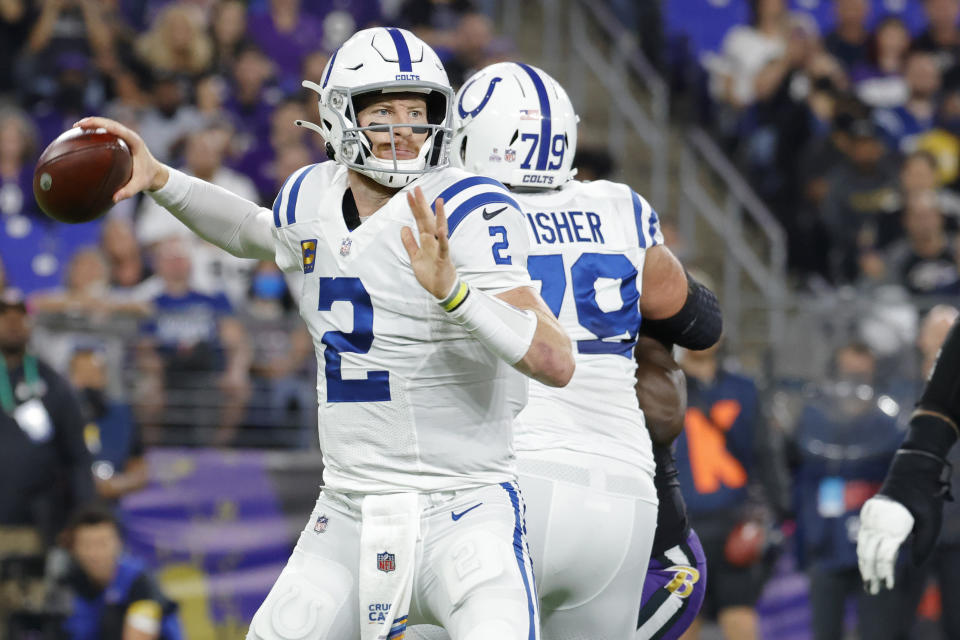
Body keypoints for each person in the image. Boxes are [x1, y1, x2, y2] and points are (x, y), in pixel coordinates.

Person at [76, 25, 574, 640]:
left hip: (463, 506)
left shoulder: (469, 206)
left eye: (417, 112)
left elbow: (554, 360)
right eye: (384, 110)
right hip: (348, 509)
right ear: (339, 115)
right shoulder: (310, 195)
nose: (403, 129)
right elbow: (252, 231)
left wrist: (456, 293)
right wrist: (160, 180)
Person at [409, 60, 721, 639]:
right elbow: (701, 322)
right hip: (624, 493)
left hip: (509, 480)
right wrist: (648, 342)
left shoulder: (452, 208)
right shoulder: (621, 207)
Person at [792, 342, 905, 640]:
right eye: (848, 372)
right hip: (826, 543)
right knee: (825, 630)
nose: (854, 380)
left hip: (877, 547)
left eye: (862, 373)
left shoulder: (888, 423)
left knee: (878, 631)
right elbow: (800, 479)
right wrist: (806, 542)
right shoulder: (813, 420)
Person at [857, 311, 960, 595]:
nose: (944, 340)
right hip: (908, 520)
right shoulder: (898, 389)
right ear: (920, 339)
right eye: (938, 333)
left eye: (949, 332)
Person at [62, 503, 183, 640]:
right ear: (74, 548)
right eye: (86, 545)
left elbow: (140, 636)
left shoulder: (138, 581)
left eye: (102, 543)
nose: (94, 553)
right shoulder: (69, 583)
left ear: (119, 543)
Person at [69, 348, 149, 502]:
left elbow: (139, 468)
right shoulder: (59, 416)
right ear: (71, 377)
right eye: (82, 374)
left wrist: (120, 484)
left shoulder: (123, 416)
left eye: (94, 374)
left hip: (110, 509)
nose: (88, 381)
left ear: (104, 376)